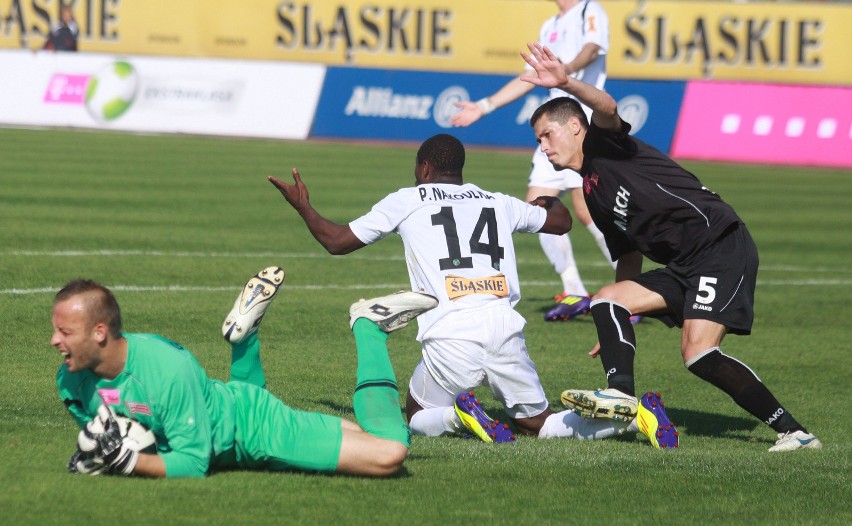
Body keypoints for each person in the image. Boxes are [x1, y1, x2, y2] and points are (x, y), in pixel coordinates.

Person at [268, 133, 677, 448]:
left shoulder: (407, 199)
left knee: (414, 414)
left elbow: (337, 241)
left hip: (450, 331)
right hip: (504, 328)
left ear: (425, 168)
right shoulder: (497, 202)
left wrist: (304, 207)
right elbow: (561, 222)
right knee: (540, 425)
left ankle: (457, 417)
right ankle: (636, 416)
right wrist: (544, 201)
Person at [518, 42, 821, 452]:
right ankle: (621, 395)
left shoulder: (604, 145)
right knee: (605, 299)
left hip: (718, 243)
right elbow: (628, 254)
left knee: (698, 354)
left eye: (547, 135)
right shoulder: (591, 191)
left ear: (574, 125)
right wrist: (615, 324)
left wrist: (568, 81)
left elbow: (606, 107)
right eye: (538, 140)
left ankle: (795, 433)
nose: (543, 147)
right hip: (684, 263)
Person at [54, 266, 440, 477]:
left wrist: (130, 462)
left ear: (100, 332)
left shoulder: (167, 369)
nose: (55, 341)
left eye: (65, 332)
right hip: (226, 408)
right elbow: (114, 431)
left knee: (390, 452)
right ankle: (245, 341)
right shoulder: (70, 379)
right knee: (360, 433)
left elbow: (193, 462)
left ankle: (369, 329)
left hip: (255, 428)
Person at [451, 0, 614, 322]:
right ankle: (575, 292)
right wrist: (483, 106)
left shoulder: (589, 10)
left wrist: (564, 72)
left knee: (589, 213)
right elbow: (531, 75)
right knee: (538, 210)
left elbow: (592, 49)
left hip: (579, 126)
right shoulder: (550, 25)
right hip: (554, 129)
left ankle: (631, 289)